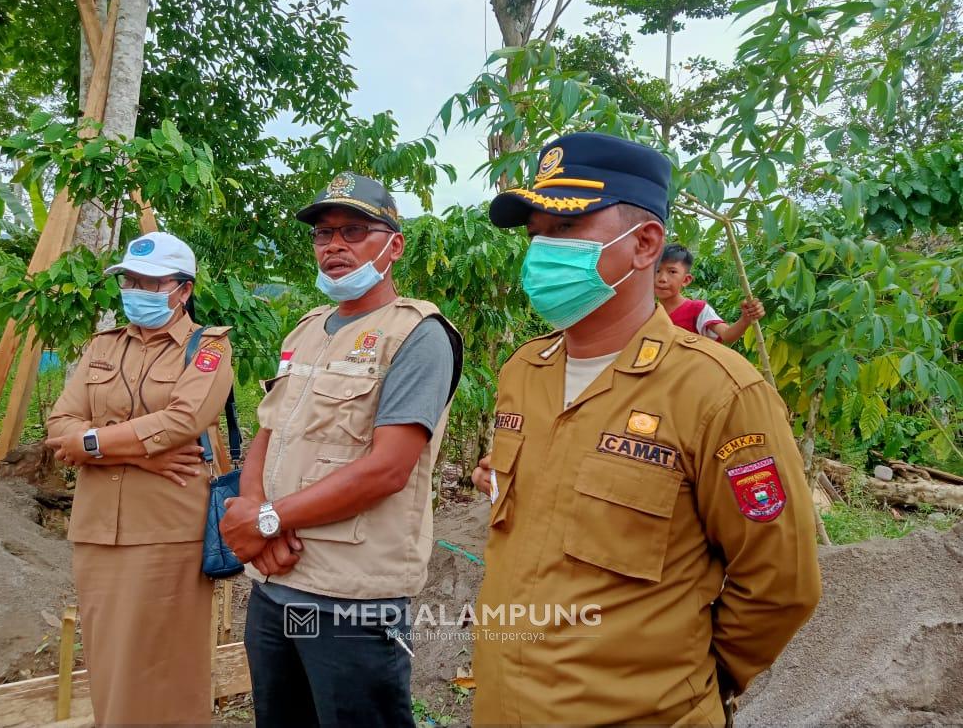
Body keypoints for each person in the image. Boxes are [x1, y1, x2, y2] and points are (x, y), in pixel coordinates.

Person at [469, 132, 821, 725]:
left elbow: (780, 585)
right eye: (535, 236)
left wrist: (676, 680)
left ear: (645, 244)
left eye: (564, 230)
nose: (541, 254)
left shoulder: (717, 391)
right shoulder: (523, 371)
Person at [219, 172, 463, 728]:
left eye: (355, 231)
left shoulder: (418, 335)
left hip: (350, 598)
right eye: (323, 234)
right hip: (275, 582)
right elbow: (268, 434)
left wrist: (265, 520)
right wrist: (256, 514)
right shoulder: (305, 330)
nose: (334, 246)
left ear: (394, 245)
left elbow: (387, 469)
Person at [46, 231, 234, 726]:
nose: (136, 290)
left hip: (168, 531)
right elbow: (59, 428)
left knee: (166, 663)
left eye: (151, 283)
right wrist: (141, 458)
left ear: (183, 290)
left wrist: (93, 444)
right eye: (130, 280)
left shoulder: (207, 349)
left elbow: (182, 421)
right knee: (110, 664)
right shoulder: (103, 347)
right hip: (97, 531)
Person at [655, 243, 765, 343]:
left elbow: (727, 335)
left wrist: (746, 319)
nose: (662, 279)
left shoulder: (697, 309)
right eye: (657, 271)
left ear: (686, 280)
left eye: (672, 272)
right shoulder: (648, 312)